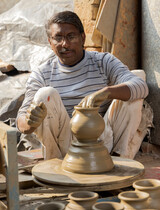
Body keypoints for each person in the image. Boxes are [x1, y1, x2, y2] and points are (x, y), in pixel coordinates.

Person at [17, 10, 149, 160]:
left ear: (82, 38)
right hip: (66, 147)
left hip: (105, 139)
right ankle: (54, 163)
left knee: (137, 77)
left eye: (71, 37)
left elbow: (141, 86)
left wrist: (106, 92)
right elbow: (21, 119)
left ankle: (121, 159)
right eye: (58, 38)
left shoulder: (103, 61)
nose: (65, 44)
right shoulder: (42, 74)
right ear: (50, 42)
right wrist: (30, 122)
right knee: (45, 95)